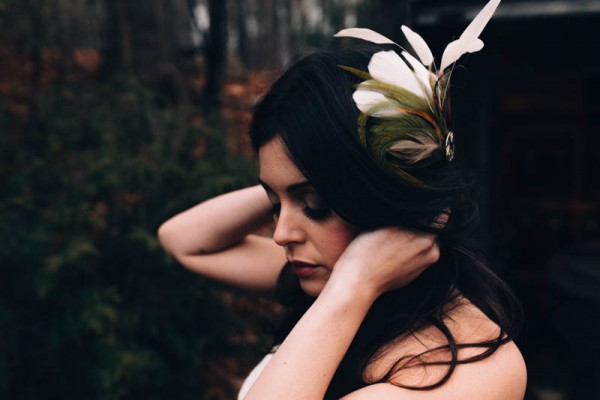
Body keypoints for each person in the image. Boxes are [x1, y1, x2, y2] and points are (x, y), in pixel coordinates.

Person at [158, 1, 526, 398]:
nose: (281, 234)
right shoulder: (331, 278)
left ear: (385, 196)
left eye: (315, 205)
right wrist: (294, 186)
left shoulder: (472, 368)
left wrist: (353, 287)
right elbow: (183, 240)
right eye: (276, 205)